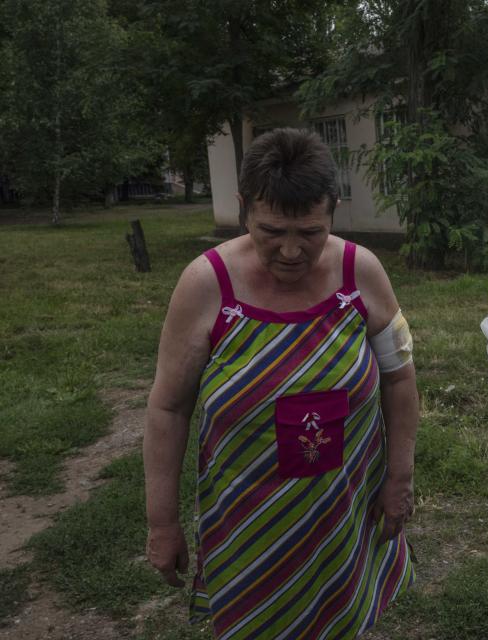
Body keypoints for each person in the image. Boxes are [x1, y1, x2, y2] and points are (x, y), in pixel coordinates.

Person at [143, 128, 418, 639]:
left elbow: (400, 379)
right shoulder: (207, 285)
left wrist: (398, 480)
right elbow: (168, 409)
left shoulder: (363, 273)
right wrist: (162, 522)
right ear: (243, 207)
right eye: (271, 231)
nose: (292, 251)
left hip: (344, 511)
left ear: (333, 209)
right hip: (249, 524)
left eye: (310, 233)